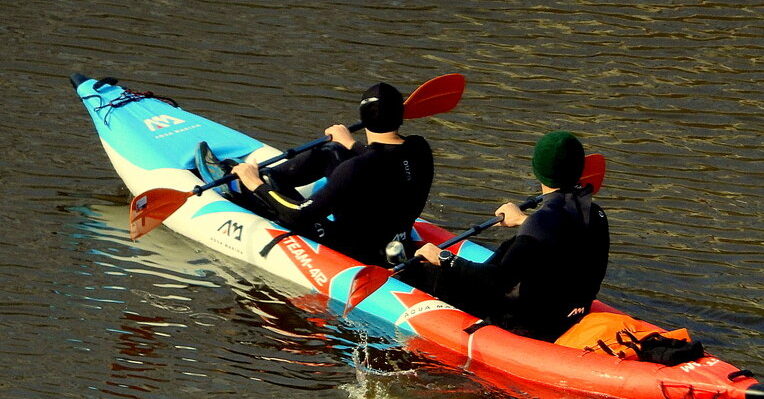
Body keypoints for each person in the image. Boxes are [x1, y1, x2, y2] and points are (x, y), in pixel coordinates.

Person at [411, 131, 609, 342]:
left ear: (537, 170)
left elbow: (499, 281)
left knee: (422, 272)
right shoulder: (596, 213)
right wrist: (524, 220)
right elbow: (560, 234)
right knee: (513, 245)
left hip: (527, 324)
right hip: (570, 313)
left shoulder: (540, 223)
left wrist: (444, 258)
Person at [227, 82, 433, 266]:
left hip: (353, 250)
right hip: (394, 239)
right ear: (400, 116)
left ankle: (251, 186)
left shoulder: (354, 168)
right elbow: (384, 159)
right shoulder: (419, 148)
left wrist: (255, 183)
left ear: (363, 118)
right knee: (331, 152)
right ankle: (268, 177)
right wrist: (350, 143)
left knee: (274, 191)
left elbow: (298, 215)